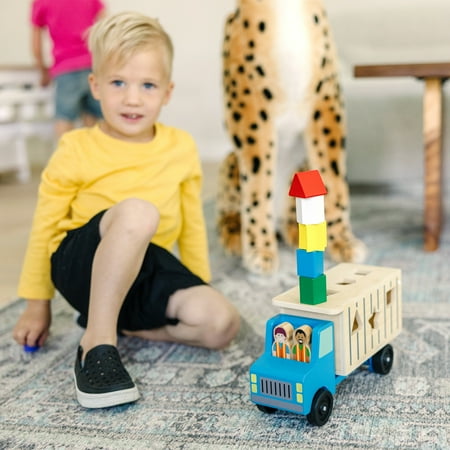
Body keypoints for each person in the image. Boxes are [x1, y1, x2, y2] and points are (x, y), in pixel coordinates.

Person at [13, 11, 240, 409]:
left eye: (147, 85)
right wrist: (37, 305)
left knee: (221, 323)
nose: (132, 98)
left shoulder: (181, 147)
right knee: (138, 212)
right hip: (80, 261)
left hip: (145, 267)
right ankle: (97, 342)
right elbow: (44, 226)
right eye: (118, 83)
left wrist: (198, 281)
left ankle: (122, 320)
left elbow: (191, 227)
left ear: (167, 92)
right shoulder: (76, 148)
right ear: (95, 86)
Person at [31, 0, 105, 137]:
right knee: (93, 120)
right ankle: (94, 157)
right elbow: (106, 27)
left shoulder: (41, 2)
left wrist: (43, 71)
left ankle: (65, 157)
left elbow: (36, 44)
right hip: (93, 66)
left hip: (65, 69)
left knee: (64, 119)